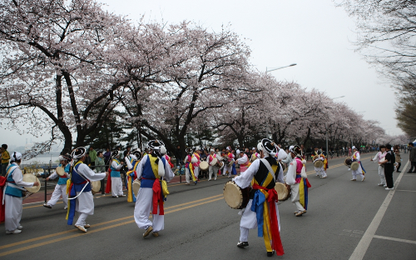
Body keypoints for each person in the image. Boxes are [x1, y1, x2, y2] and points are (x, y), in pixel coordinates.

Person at [233, 138, 284, 257]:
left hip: (257, 197)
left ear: (262, 151)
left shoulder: (257, 162)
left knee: (246, 217)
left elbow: (245, 178)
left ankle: (243, 240)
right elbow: (281, 181)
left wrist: (235, 180)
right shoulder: (279, 165)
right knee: (272, 220)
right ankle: (271, 246)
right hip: (270, 198)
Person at [133, 140, 174, 237]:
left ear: (150, 149)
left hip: (146, 185)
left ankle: (147, 225)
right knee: (158, 207)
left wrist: (140, 178)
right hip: (158, 186)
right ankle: (156, 229)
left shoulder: (146, 157)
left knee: (141, 207)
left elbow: (139, 173)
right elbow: (169, 175)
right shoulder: (164, 160)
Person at [66, 147, 107, 232]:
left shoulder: (74, 165)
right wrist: (104, 174)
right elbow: (92, 175)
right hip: (84, 188)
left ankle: (83, 222)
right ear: (83, 156)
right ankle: (79, 223)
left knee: (82, 205)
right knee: (88, 206)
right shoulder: (82, 166)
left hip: (77, 188)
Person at [3, 152, 39, 234]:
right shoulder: (16, 169)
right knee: (14, 211)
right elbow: (18, 182)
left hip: (10, 190)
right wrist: (32, 184)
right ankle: (11, 228)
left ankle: (14, 225)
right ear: (20, 159)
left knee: (13, 210)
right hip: (13, 191)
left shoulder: (9, 167)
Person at [285, 145, 311, 217]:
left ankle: (301, 209)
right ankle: (300, 209)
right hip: (302, 180)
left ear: (293, 153)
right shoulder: (301, 161)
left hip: (296, 180)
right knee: (299, 195)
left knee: (294, 196)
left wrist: (288, 183)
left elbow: (291, 174)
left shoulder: (294, 162)